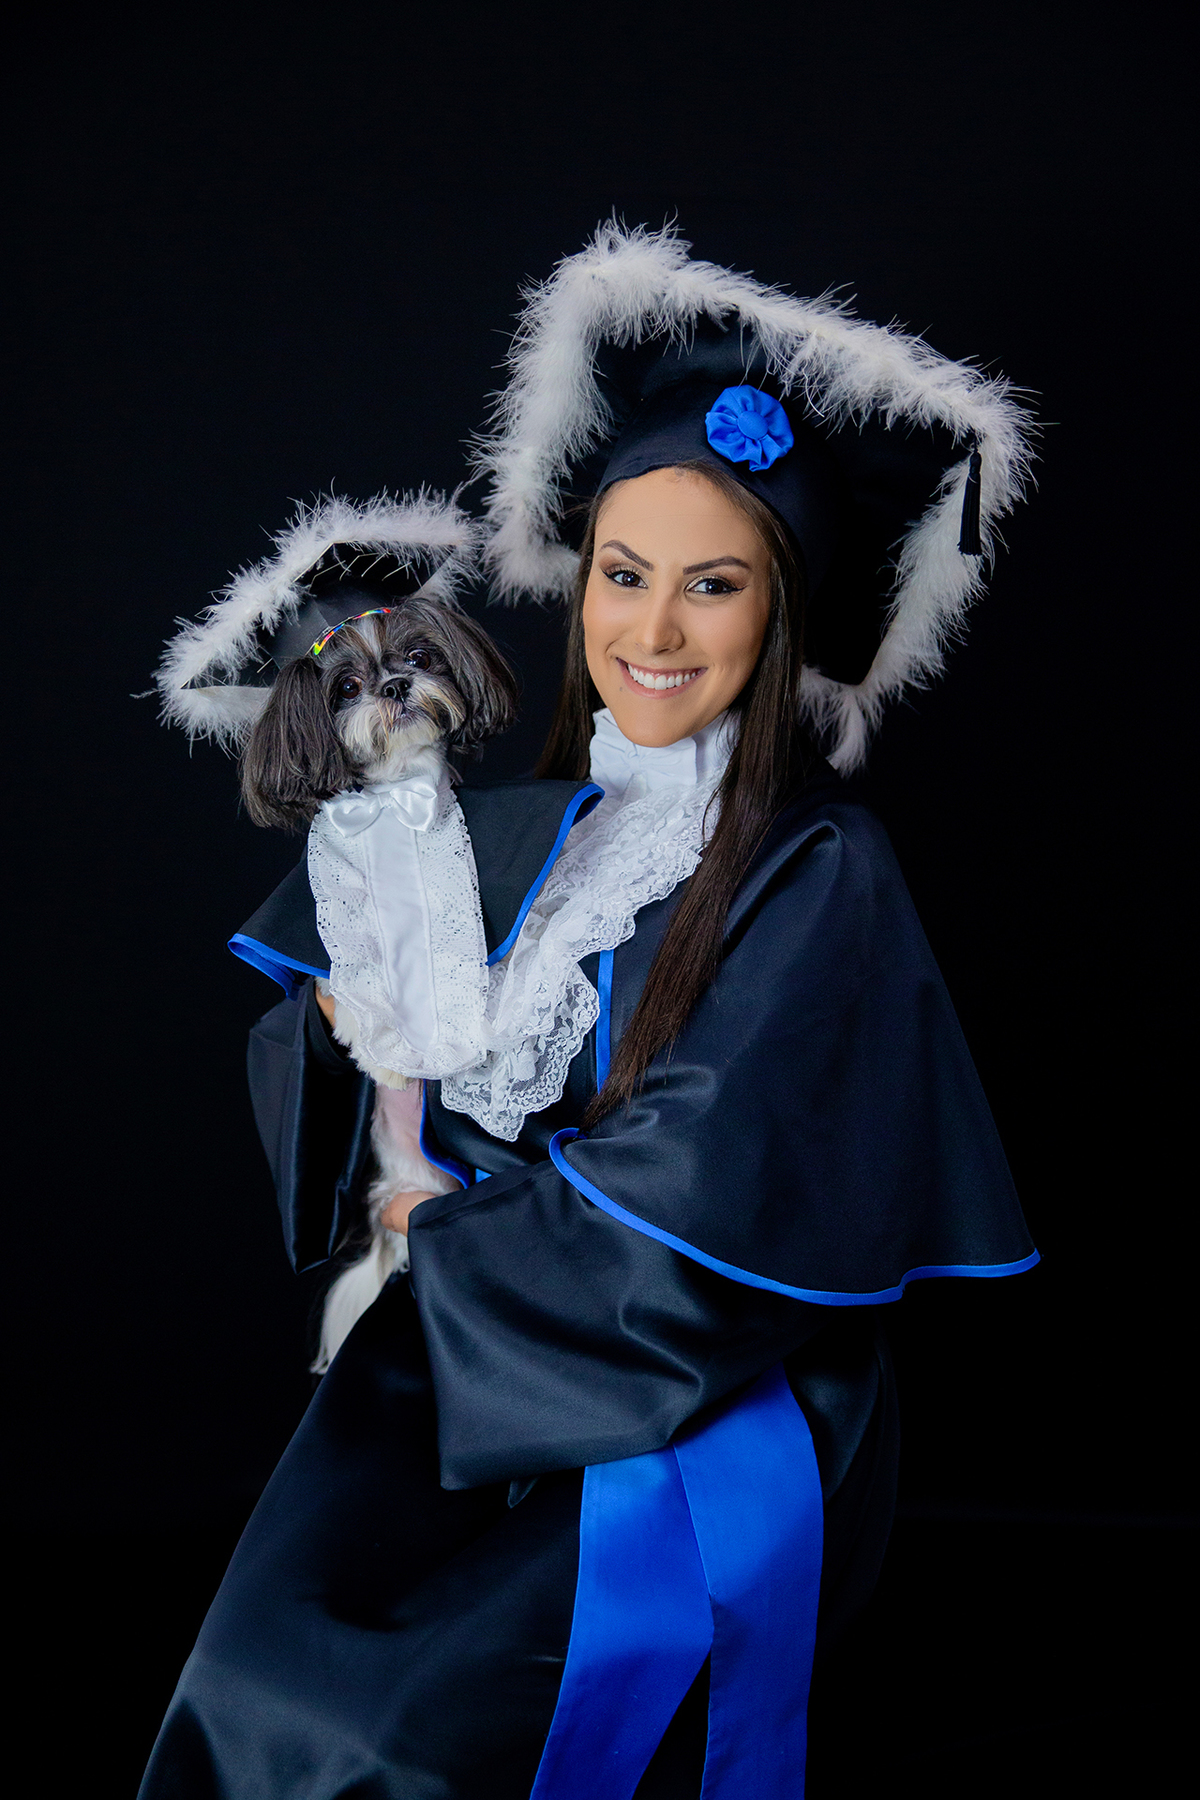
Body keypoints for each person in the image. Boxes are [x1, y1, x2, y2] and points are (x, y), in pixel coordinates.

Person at [141, 223, 1037, 1800]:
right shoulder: (522, 825)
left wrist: (454, 1238)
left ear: (779, 615)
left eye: (716, 586)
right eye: (625, 575)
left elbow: (712, 1188)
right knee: (255, 1671)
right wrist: (361, 1034)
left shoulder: (818, 870)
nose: (655, 632)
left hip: (689, 1394)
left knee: (385, 1738)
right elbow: (389, 1097)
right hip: (477, 1343)